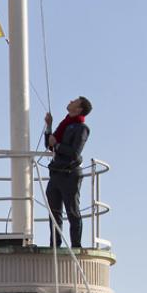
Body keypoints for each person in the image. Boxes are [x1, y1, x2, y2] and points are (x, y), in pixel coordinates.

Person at [43, 96, 92, 249]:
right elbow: (49, 145)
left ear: (79, 109)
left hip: (70, 174)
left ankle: (76, 246)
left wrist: (56, 145)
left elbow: (75, 153)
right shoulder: (65, 124)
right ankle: (54, 246)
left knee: (72, 211)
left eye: (75, 101)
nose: (70, 101)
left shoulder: (82, 128)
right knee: (54, 212)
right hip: (57, 172)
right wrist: (49, 127)